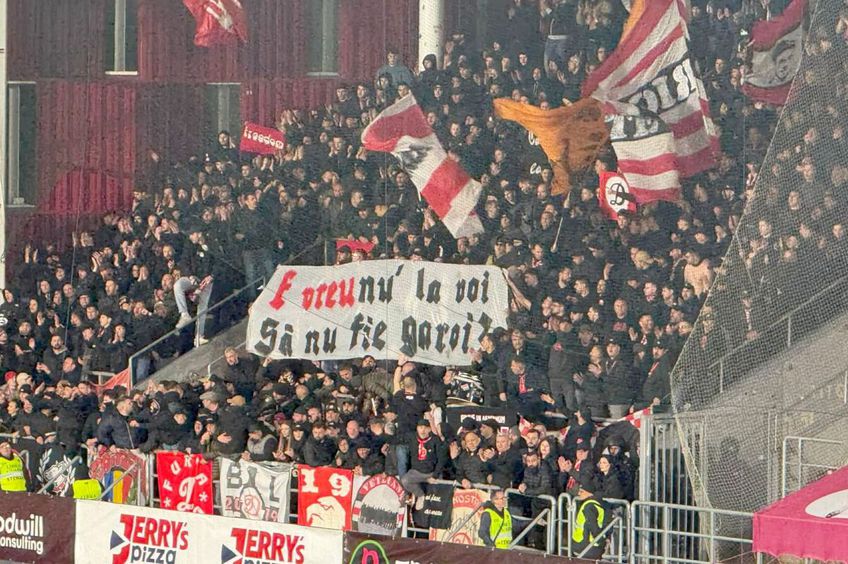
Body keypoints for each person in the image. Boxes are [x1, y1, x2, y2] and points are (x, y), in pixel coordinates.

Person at [572, 480, 609, 559]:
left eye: (582, 491)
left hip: (586, 546)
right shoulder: (599, 504)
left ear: (589, 493)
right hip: (588, 545)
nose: (579, 494)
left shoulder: (589, 506)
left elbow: (592, 526)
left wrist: (600, 541)